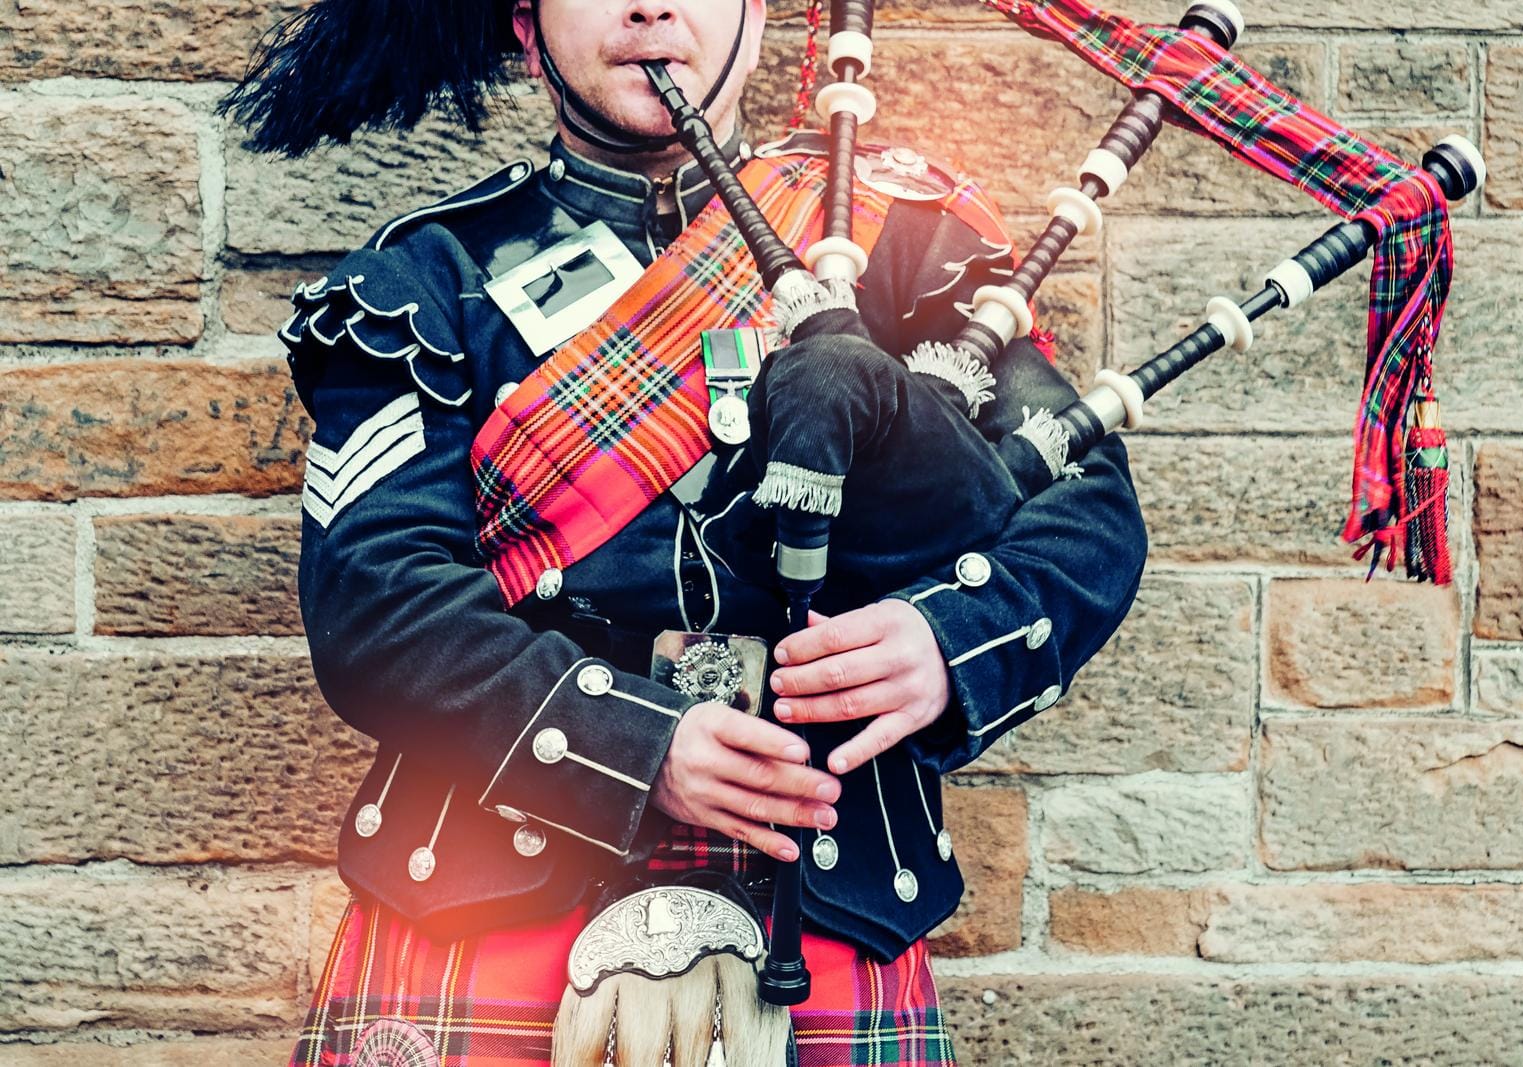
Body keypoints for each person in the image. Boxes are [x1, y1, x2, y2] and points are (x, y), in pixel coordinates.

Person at [223, 0, 1147, 1063]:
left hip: (826, 901)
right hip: (485, 898)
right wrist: (639, 745)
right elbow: (375, 600)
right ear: (526, 26)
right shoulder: (423, 281)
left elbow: (1086, 515)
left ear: (761, 24)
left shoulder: (907, 253)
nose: (651, 6)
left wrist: (943, 644)